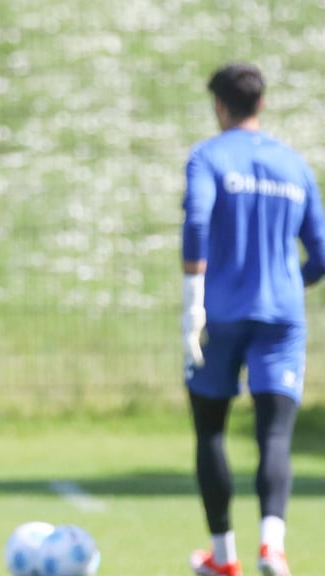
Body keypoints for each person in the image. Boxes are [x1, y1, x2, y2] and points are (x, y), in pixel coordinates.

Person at [182, 63, 325, 576]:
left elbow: (197, 220)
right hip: (282, 317)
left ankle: (224, 558)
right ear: (260, 104)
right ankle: (273, 547)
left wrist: (192, 300)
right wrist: (292, 281)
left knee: (212, 431)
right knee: (276, 434)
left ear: (220, 105)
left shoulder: (209, 156)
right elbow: (322, 252)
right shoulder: (294, 164)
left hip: (218, 314)